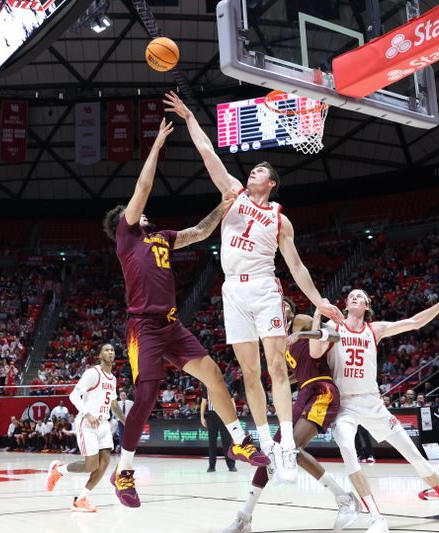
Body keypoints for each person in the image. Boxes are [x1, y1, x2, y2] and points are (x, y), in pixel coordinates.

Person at [165, 91, 344, 483]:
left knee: (276, 365)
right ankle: (264, 441)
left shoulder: (282, 220)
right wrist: (190, 118)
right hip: (232, 290)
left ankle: (284, 448)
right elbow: (208, 154)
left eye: (259, 171)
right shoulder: (234, 195)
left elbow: (295, 266)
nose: (251, 173)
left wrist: (320, 302)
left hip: (264, 287)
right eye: (252, 171)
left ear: (272, 182)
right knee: (249, 372)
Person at [103, 119, 267, 508]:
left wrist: (223, 206)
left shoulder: (161, 237)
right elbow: (142, 188)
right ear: (123, 221)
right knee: (146, 395)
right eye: (136, 211)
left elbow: (198, 231)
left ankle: (239, 443)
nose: (144, 211)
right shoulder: (127, 237)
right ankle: (123, 471)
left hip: (171, 324)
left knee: (214, 376)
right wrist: (157, 146)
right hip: (143, 326)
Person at [311, 285, 439, 532]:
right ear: (345, 306)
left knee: (415, 456)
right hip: (345, 405)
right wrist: (318, 312)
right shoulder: (334, 327)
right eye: (351, 297)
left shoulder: (374, 329)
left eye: (360, 296)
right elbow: (315, 352)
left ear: (367, 306)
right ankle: (377, 518)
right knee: (347, 448)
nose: (355, 297)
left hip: (373, 404)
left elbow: (414, 322)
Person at [225, 299, 360, 533]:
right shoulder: (278, 339)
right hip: (302, 393)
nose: (282, 307)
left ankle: (344, 498)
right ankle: (245, 516)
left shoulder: (300, 322)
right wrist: (285, 382)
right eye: (278, 304)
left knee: (292, 449)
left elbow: (333, 336)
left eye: (285, 304)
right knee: (275, 452)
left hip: (322, 391)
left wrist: (303, 334)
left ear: (291, 310)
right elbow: (301, 371)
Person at [46, 344, 126, 512]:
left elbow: (113, 404)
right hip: (88, 423)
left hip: (103, 424)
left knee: (104, 463)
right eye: (106, 350)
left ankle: (81, 499)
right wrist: (88, 413)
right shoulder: (92, 373)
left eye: (112, 350)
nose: (110, 352)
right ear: (100, 355)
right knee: (91, 465)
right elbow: (73, 395)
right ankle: (58, 470)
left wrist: (125, 420)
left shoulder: (112, 378)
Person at [200, 385, 237, 473]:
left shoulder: (226, 386)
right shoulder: (206, 387)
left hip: (225, 414)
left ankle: (231, 465)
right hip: (212, 416)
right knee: (212, 442)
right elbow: (204, 402)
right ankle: (211, 466)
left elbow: (232, 401)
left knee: (227, 442)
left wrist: (233, 416)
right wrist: (202, 417)